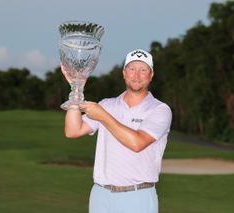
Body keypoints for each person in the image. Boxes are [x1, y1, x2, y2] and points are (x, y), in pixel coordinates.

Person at [61, 49, 172, 213]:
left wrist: (103, 116)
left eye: (143, 70)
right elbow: (73, 130)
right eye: (132, 69)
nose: (136, 75)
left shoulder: (160, 110)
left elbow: (137, 143)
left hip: (137, 195)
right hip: (101, 195)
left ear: (151, 74)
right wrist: (76, 89)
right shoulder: (107, 105)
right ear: (124, 73)